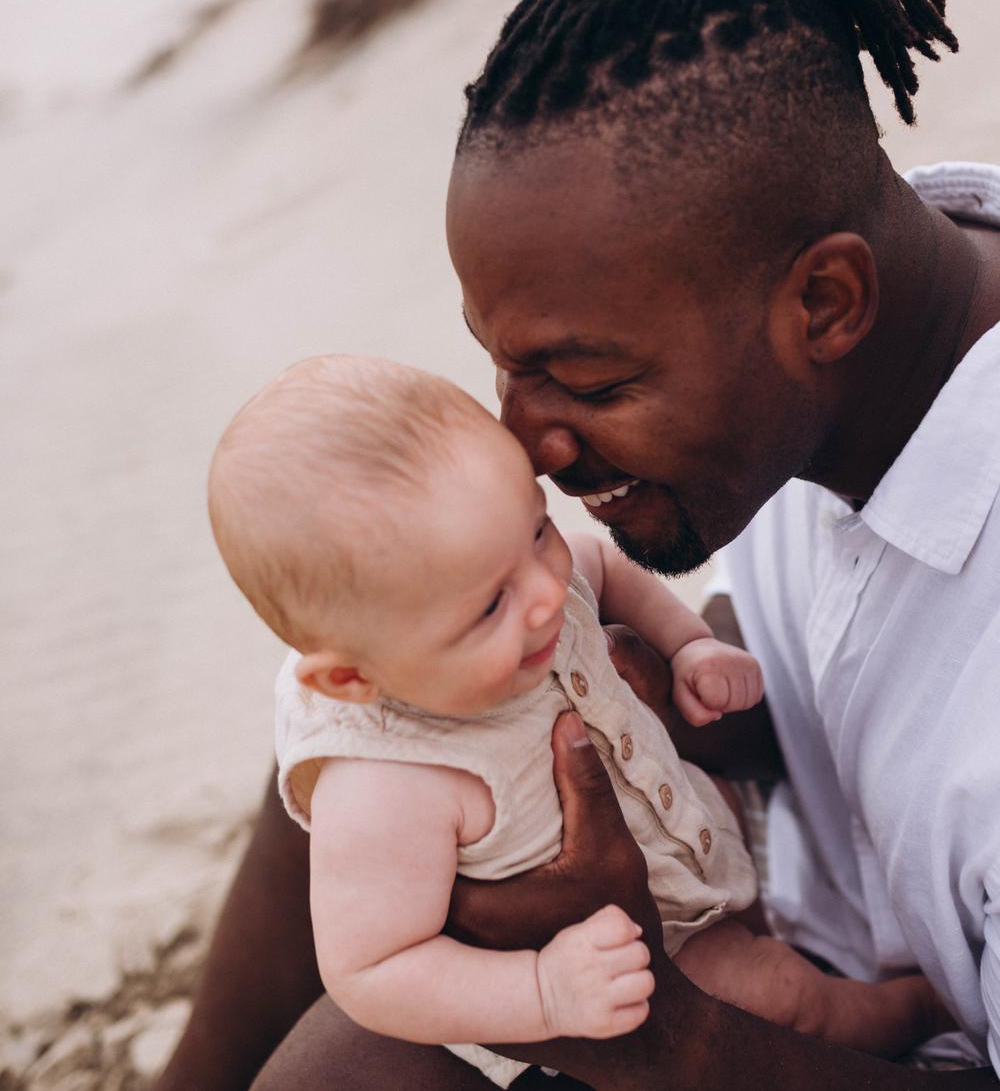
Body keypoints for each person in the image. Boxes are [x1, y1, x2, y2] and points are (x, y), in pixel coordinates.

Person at [157, 0, 1000, 1090]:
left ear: (825, 307)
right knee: (389, 679)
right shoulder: (909, 307)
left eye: (588, 379)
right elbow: (864, 652)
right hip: (780, 873)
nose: (527, 445)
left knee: (351, 1066)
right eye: (503, 368)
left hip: (815, 1026)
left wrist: (650, 1027)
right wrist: (687, 680)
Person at [206, 354, 946, 1087]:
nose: (546, 594)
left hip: (691, 858)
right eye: (491, 606)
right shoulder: (387, 785)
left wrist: (687, 648)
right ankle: (913, 1015)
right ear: (351, 678)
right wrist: (545, 991)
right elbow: (370, 968)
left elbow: (605, 566)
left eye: (535, 531)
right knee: (787, 997)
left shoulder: (507, 579)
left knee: (766, 944)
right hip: (608, 964)